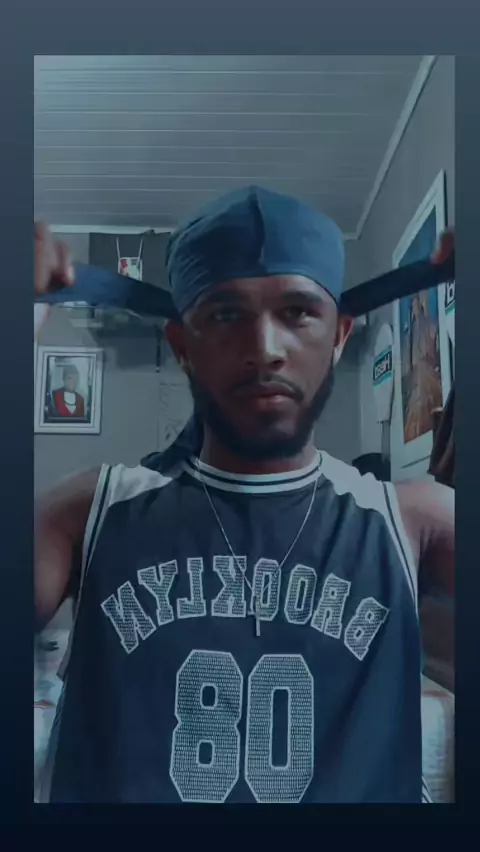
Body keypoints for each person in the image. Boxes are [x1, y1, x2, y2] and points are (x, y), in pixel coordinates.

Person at [34, 187, 454, 804]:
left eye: (298, 312)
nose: (265, 349)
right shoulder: (88, 511)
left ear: (339, 336)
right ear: (183, 346)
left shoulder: (412, 520)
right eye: (226, 315)